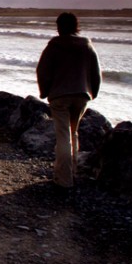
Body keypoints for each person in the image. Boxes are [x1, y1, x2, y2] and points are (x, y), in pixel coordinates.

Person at [36, 12, 102, 189]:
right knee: (73, 132)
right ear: (76, 26)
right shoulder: (86, 45)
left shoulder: (54, 46)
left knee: (63, 135)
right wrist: (93, 92)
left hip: (59, 96)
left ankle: (64, 180)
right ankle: (72, 172)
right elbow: (96, 72)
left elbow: (42, 71)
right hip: (81, 95)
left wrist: (44, 92)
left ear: (59, 27)